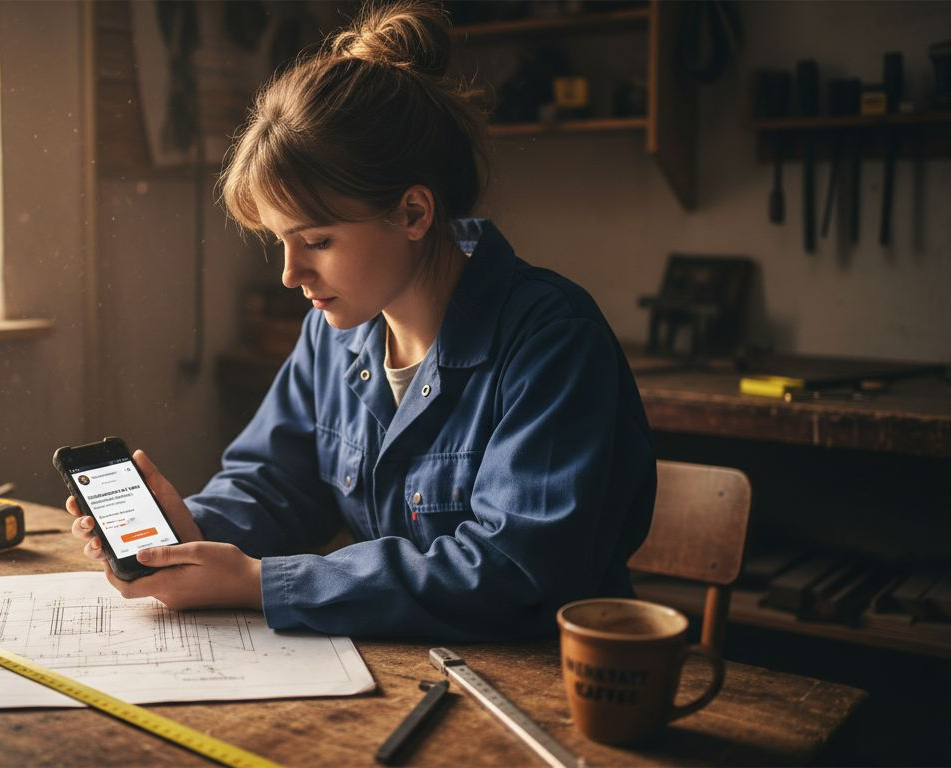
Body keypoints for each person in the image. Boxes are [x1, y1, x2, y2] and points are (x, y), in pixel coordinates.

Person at [67, 0, 655, 641]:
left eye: (317, 241)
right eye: (281, 241)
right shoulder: (334, 333)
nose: (291, 274)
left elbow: (512, 571)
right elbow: (274, 485)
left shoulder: (552, 339)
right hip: (406, 664)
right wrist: (190, 531)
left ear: (412, 213)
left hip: (547, 674)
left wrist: (260, 583)